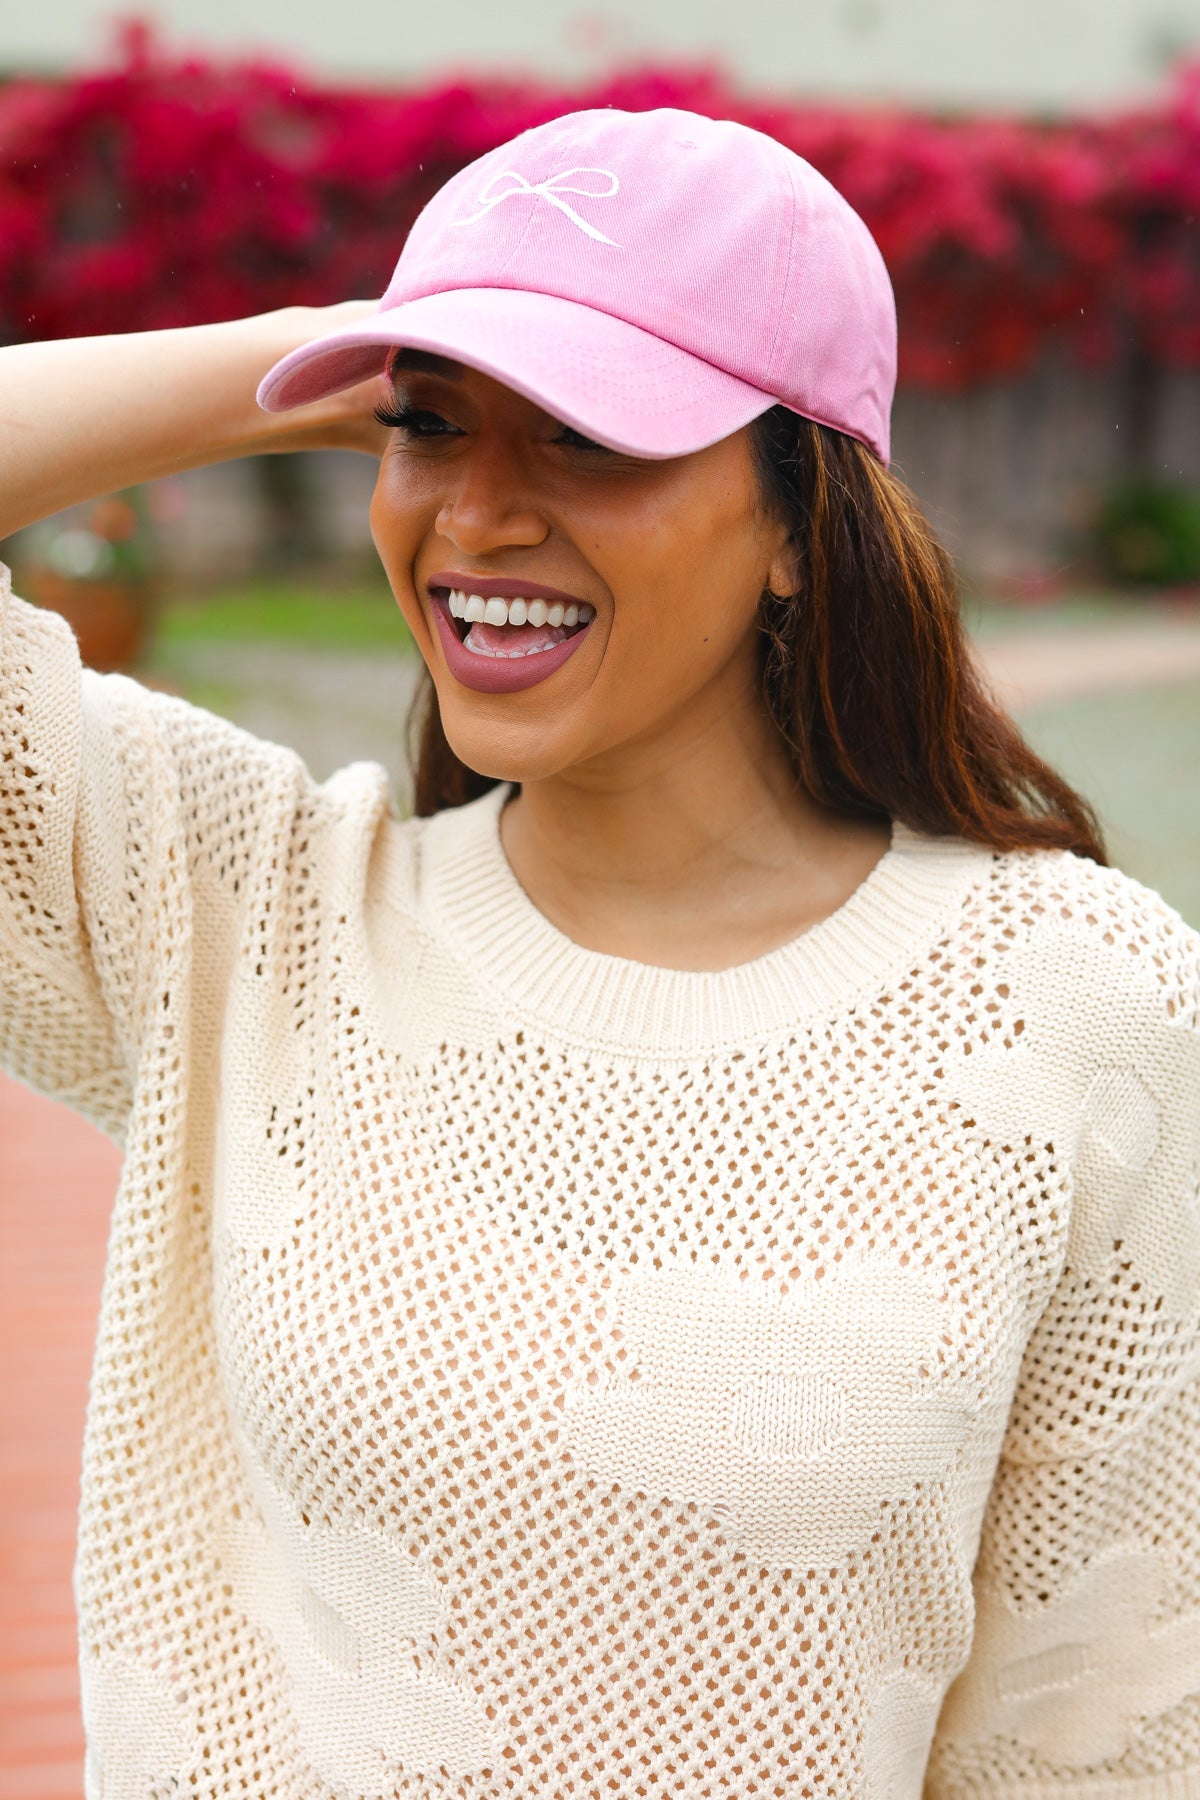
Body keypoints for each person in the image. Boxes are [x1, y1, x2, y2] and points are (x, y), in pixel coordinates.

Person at [1, 105, 1197, 1800]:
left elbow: (1109, 1729)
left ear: (802, 522)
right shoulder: (246, 904)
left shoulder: (1078, 996)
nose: (475, 515)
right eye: (431, 429)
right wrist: (296, 357)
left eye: (582, 437)